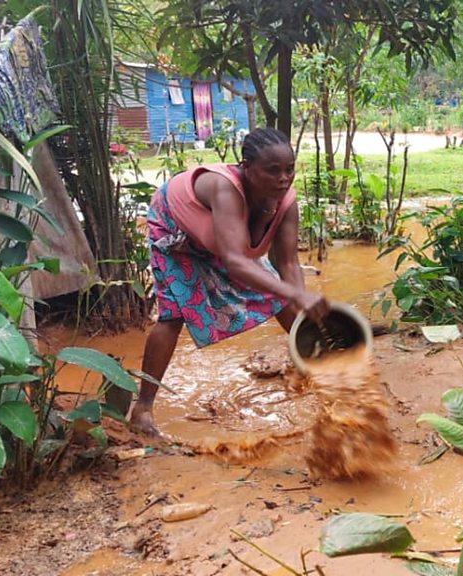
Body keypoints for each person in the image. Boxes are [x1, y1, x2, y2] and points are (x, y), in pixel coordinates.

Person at [127, 127, 329, 436]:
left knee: (279, 296)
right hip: (175, 230)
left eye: (289, 169)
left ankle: (319, 368)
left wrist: (300, 302)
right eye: (272, 171)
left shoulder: (285, 202)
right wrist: (294, 294)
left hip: (225, 240)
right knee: (174, 313)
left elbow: (287, 263)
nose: (283, 178)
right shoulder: (225, 189)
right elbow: (236, 263)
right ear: (246, 167)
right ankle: (142, 408)